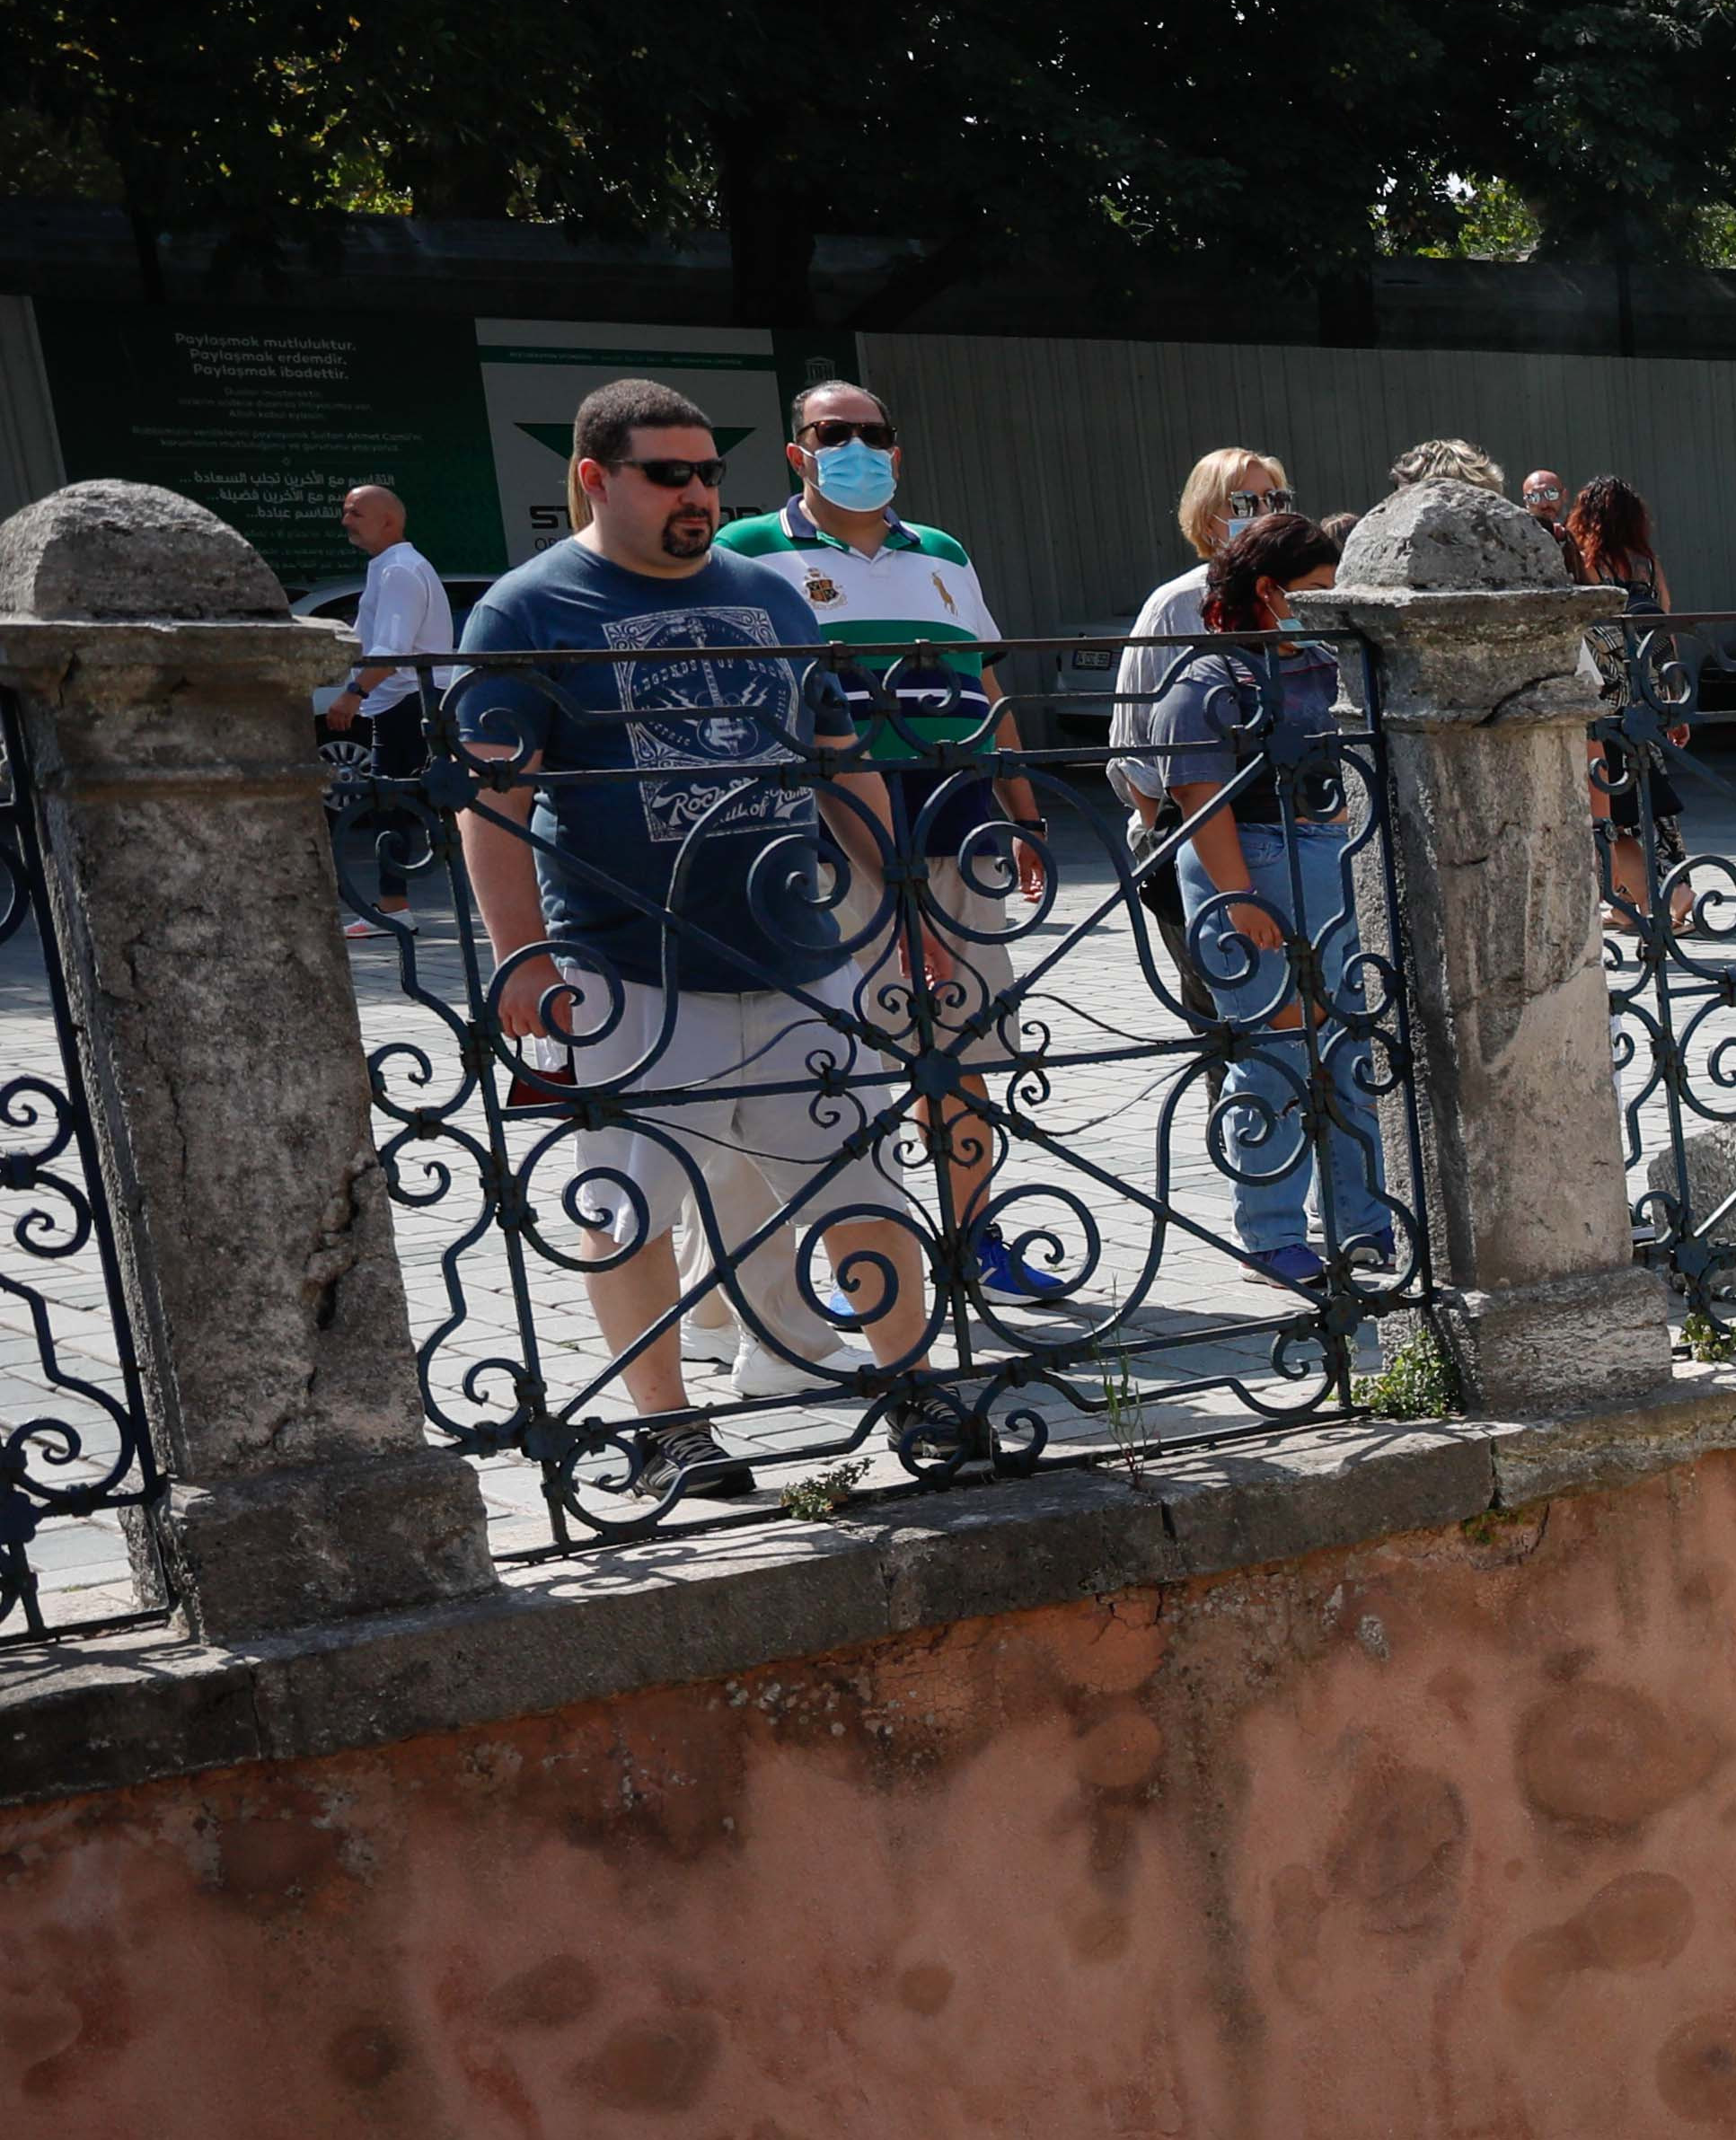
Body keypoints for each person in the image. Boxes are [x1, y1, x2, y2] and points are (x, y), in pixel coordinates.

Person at [441, 375, 930, 1505]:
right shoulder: (527, 609)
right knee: (629, 1206)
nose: (698, 492)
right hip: (631, 963)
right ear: (596, 479)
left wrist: (900, 901)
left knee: (861, 1181)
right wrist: (522, 955)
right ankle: (666, 1425)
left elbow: (839, 760)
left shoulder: (776, 596)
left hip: (798, 951)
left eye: (709, 471)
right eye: (670, 474)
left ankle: (909, 1384)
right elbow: (492, 800)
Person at [722, 381, 1061, 1301]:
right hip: (830, 834)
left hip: (956, 822)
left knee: (963, 1051)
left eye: (875, 434)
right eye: (835, 434)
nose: (857, 448)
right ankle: (862, 1257)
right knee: (845, 1060)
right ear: (798, 450)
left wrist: (1023, 811)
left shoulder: (944, 553)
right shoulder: (748, 552)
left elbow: (985, 691)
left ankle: (970, 1244)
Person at [1144, 508, 1406, 1296]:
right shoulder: (1209, 678)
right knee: (1274, 1066)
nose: (1331, 606)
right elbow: (1198, 799)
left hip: (1333, 868)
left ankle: (1366, 1223)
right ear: (1269, 589)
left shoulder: (1325, 663)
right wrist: (1235, 898)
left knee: (1352, 1056)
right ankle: (1272, 1235)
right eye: (1318, 591)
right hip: (1254, 867)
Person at [1112, 447, 1299, 1024]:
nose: (1263, 512)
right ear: (1207, 514)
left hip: (1290, 835)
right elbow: (1133, 746)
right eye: (1245, 501)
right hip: (1194, 832)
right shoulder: (1176, 604)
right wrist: (1168, 836)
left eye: (1276, 500)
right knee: (1232, 1019)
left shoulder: (1294, 597)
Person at [1552, 474, 1688, 936]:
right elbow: (1666, 632)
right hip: (1647, 700)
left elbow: (1584, 626)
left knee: (1610, 810)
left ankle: (1661, 900)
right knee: (1650, 806)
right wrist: (1672, 701)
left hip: (1605, 704)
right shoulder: (1647, 564)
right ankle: (1634, 905)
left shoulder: (1590, 564)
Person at [318, 481, 454, 909]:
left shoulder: (400, 569)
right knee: (389, 805)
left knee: (429, 806)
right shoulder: (386, 567)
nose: (346, 522)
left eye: (355, 512)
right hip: (399, 702)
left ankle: (410, 906)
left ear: (388, 521)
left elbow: (393, 650)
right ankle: (396, 907)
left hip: (412, 702)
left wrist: (354, 694)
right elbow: (366, 640)